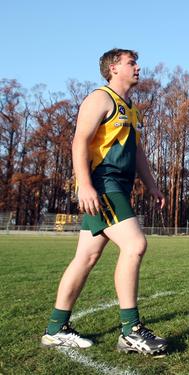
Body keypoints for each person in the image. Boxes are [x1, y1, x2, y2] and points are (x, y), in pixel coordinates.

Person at [41, 49, 168, 356]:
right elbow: (79, 141)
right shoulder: (100, 98)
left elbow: (136, 152)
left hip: (118, 188)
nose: (138, 67)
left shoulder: (129, 107)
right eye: (131, 63)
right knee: (135, 245)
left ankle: (56, 329)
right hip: (103, 185)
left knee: (86, 257)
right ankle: (131, 331)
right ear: (113, 68)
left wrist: (152, 186)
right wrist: (84, 185)